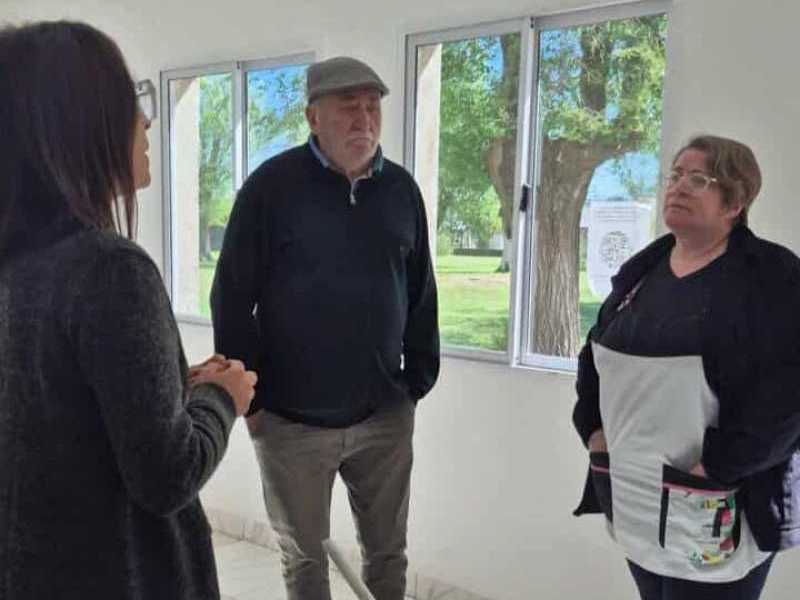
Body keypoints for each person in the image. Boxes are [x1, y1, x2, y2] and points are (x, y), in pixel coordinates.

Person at [0, 21, 257, 599]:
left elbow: (61, 416)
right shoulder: (109, 269)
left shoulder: (20, 262)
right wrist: (224, 395)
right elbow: (166, 474)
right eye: (131, 101)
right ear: (78, 123)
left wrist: (176, 389)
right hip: (119, 574)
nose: (145, 123)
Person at [211, 55, 440, 600]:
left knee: (388, 555)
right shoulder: (271, 188)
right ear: (314, 117)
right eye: (347, 108)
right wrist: (255, 400)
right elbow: (232, 294)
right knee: (305, 559)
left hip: (384, 416)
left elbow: (421, 291)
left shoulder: (401, 191)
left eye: (372, 107)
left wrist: (416, 381)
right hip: (291, 423)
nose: (364, 120)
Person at [572, 135, 800, 599]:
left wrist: (713, 467)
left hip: (718, 499)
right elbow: (595, 357)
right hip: (637, 493)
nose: (677, 187)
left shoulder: (773, 279)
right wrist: (592, 430)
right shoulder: (641, 273)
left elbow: (787, 397)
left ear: (735, 201)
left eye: (698, 178)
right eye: (674, 175)